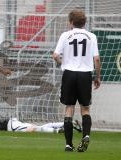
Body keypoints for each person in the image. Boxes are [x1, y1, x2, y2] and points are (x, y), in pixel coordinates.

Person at [53, 9, 101, 152]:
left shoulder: (65, 35)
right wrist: (97, 77)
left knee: (69, 108)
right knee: (85, 109)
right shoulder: (91, 36)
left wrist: (63, 63)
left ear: (71, 22)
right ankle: (85, 135)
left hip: (69, 74)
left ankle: (68, 144)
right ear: (85, 22)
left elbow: (55, 55)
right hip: (85, 75)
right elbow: (97, 59)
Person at [0, 101, 82, 133]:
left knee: (34, 129)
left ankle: (59, 130)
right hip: (11, 124)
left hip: (10, 126)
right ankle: (69, 124)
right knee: (38, 127)